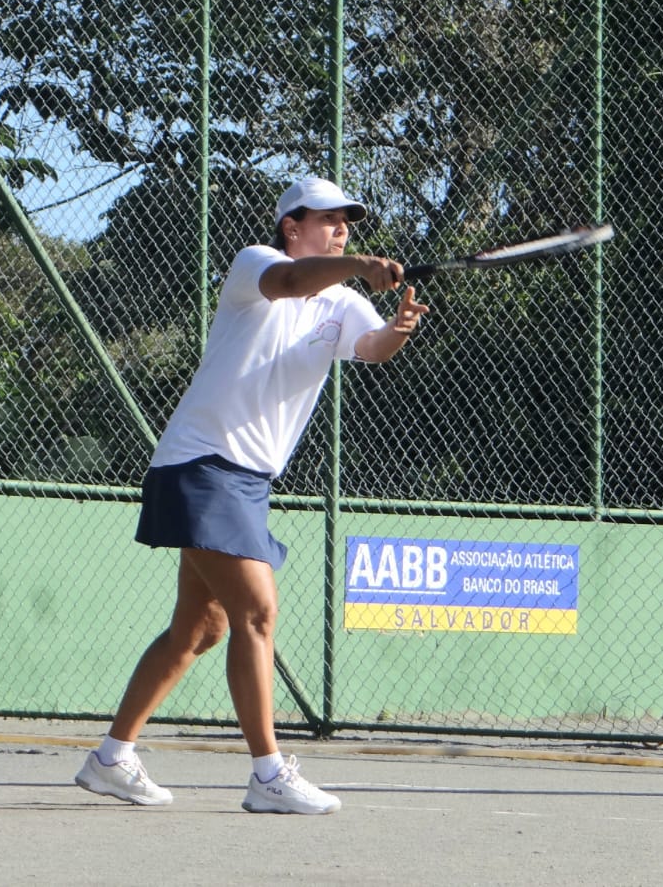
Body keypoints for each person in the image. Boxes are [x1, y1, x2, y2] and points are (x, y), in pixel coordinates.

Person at [75, 176, 428, 814]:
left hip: (250, 480)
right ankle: (268, 774)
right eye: (328, 219)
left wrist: (399, 328)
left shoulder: (344, 303)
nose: (341, 228)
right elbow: (292, 282)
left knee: (198, 629)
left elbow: (372, 349)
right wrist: (360, 264)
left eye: (347, 221)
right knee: (258, 611)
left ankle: (110, 758)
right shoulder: (255, 266)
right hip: (201, 463)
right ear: (292, 226)